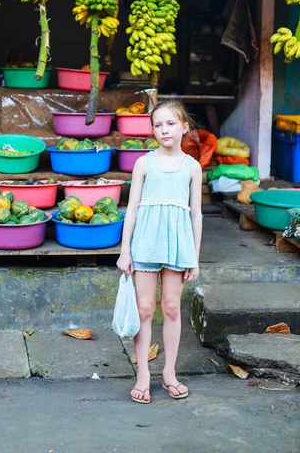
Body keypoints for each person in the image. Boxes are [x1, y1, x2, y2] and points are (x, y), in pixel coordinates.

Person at [117, 100, 202, 404]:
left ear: (184, 127)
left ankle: (169, 372)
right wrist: (125, 250)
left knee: (171, 308)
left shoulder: (193, 167)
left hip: (178, 245)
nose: (164, 129)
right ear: (152, 130)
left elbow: (196, 214)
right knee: (144, 310)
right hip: (146, 243)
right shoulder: (144, 163)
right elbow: (131, 211)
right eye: (158, 124)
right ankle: (142, 375)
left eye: (170, 123)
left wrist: (194, 256)